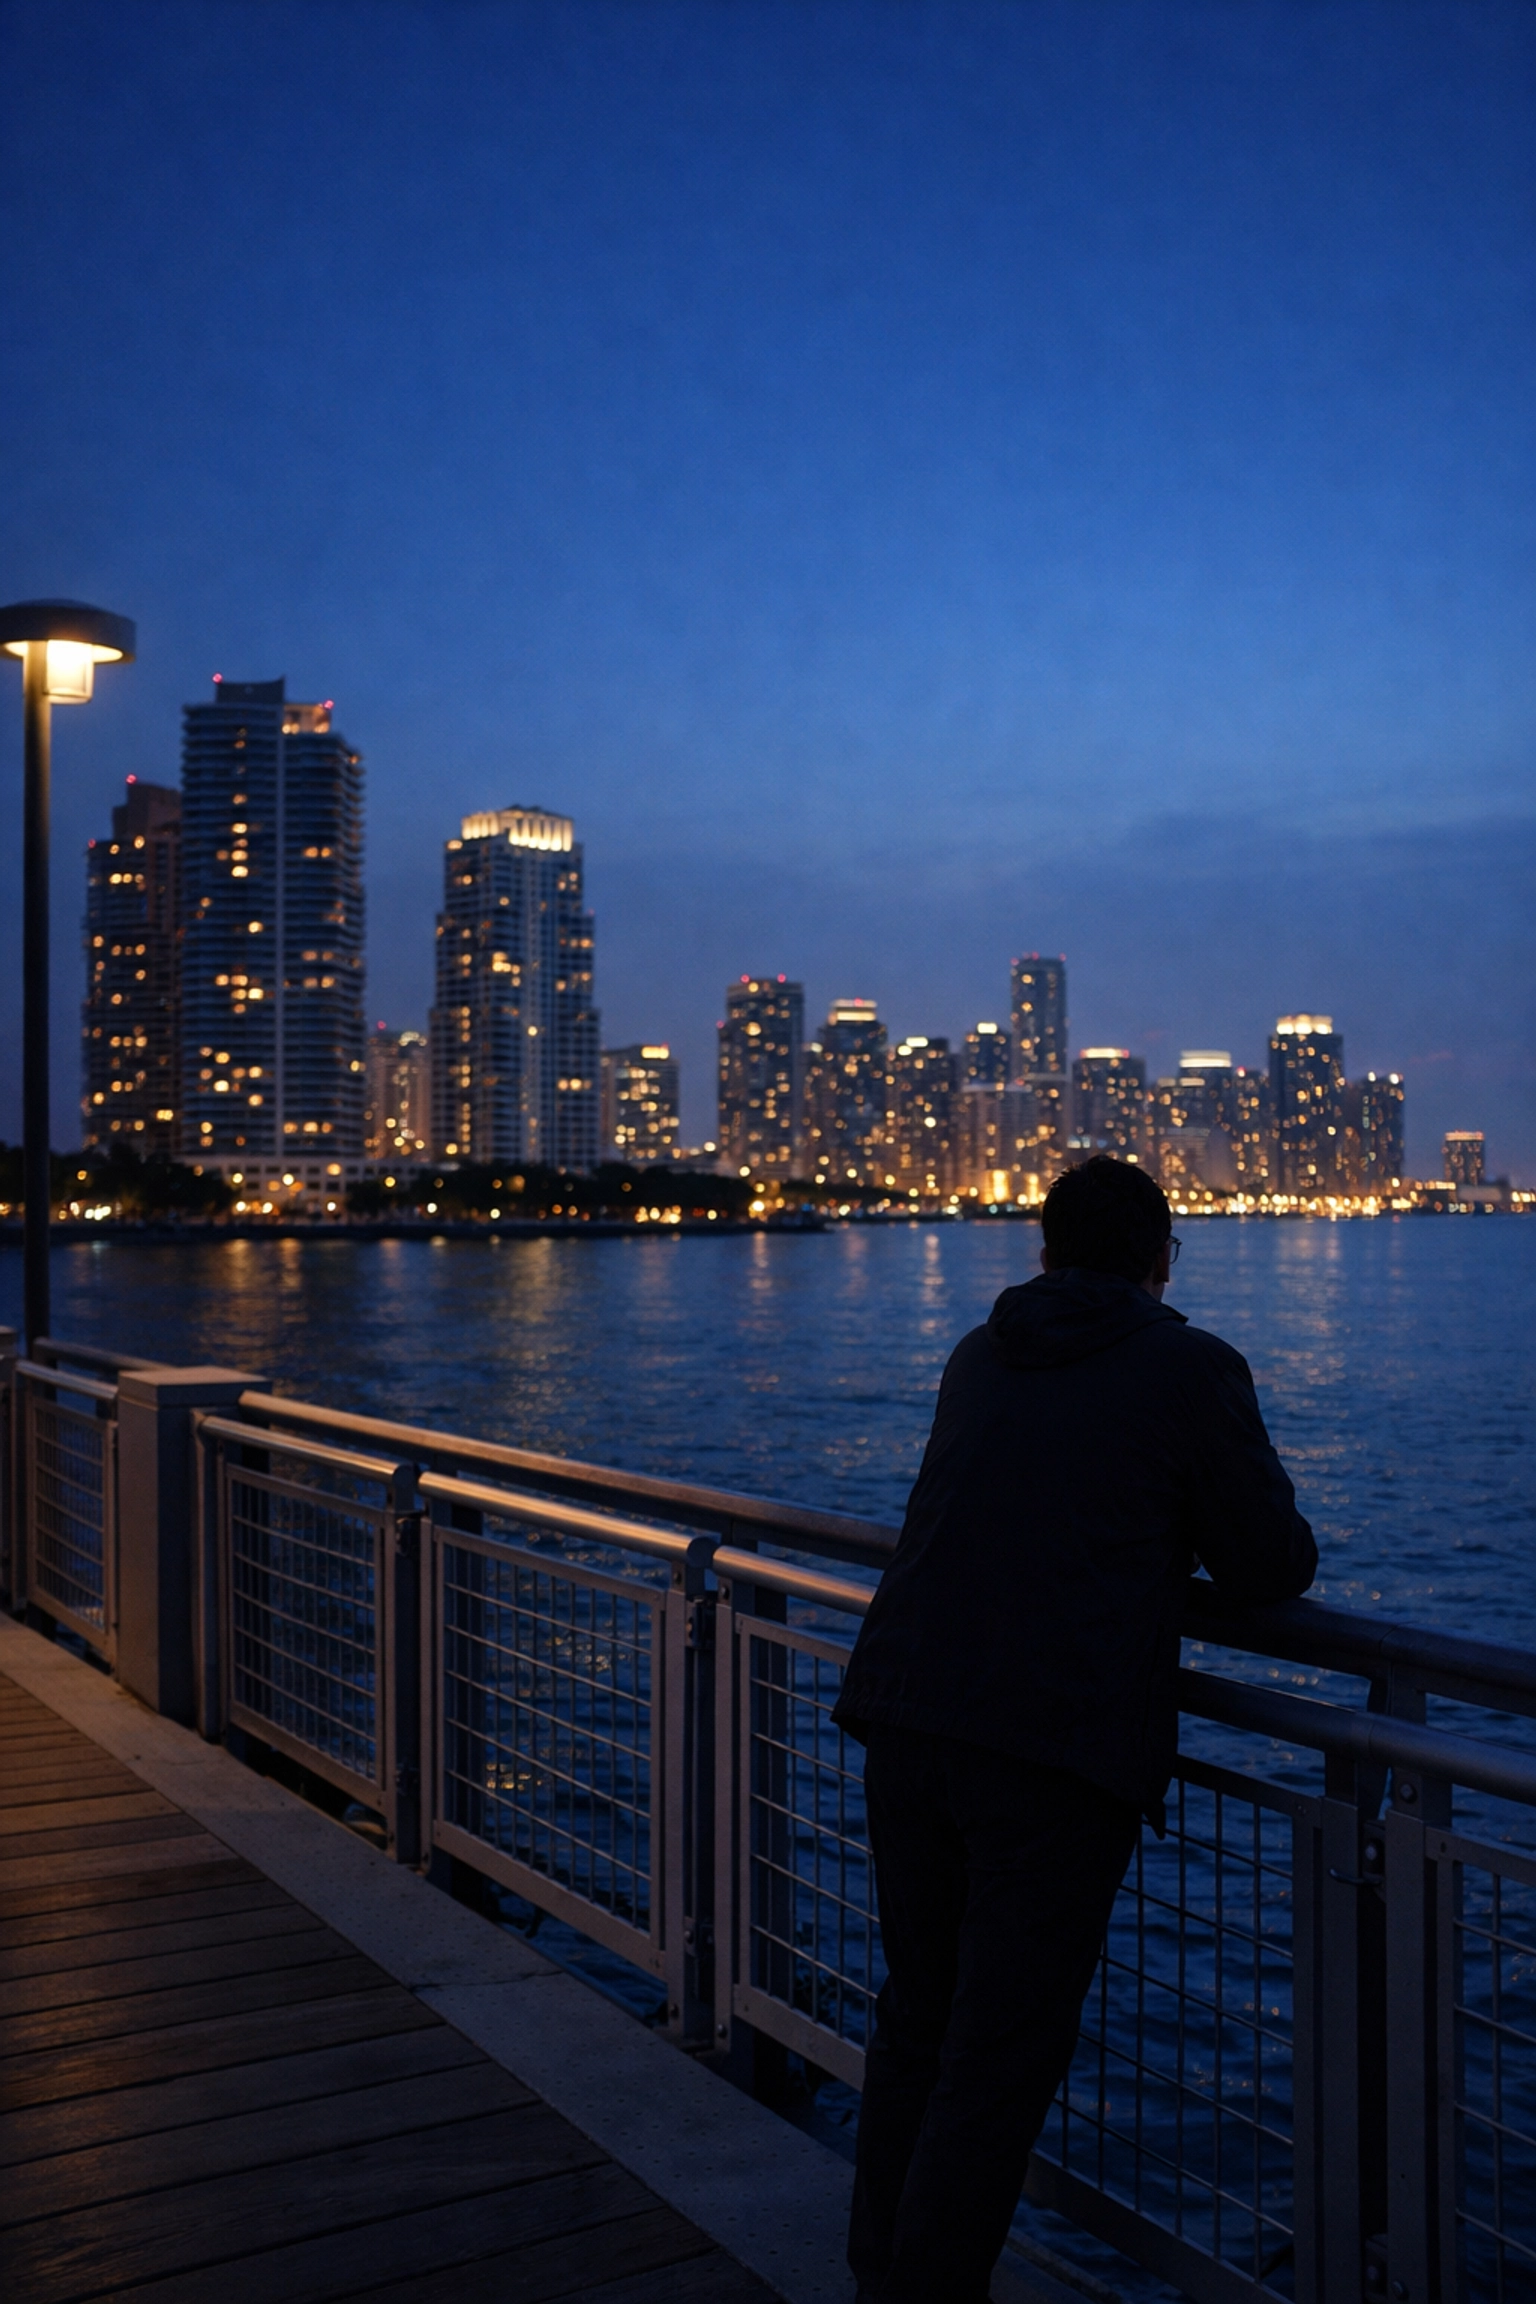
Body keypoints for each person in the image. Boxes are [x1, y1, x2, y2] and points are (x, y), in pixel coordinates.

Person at [832, 1155, 1317, 2304]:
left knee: (918, 2021)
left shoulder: (976, 1354)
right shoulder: (1190, 1367)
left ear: (1043, 1255)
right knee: (998, 2058)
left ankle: (878, 2275)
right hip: (1050, 1749)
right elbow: (1270, 1565)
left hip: (907, 1713)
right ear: (1160, 1261)